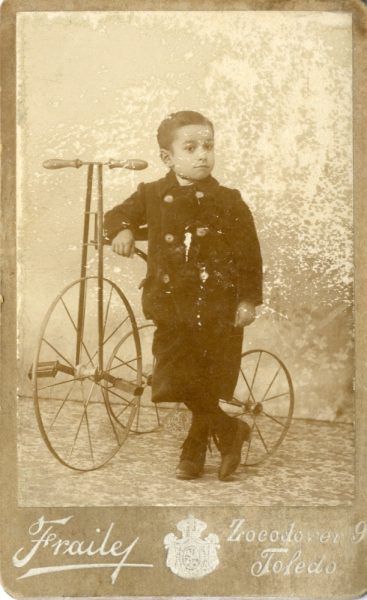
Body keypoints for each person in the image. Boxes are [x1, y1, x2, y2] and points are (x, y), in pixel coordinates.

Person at [104, 110, 262, 481]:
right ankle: (229, 430)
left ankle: (194, 446)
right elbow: (115, 215)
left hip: (218, 307)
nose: (202, 154)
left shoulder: (229, 200)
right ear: (167, 158)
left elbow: (249, 255)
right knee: (175, 378)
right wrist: (122, 231)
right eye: (190, 147)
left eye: (208, 146)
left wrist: (247, 299)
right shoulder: (153, 194)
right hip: (172, 306)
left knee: (207, 378)